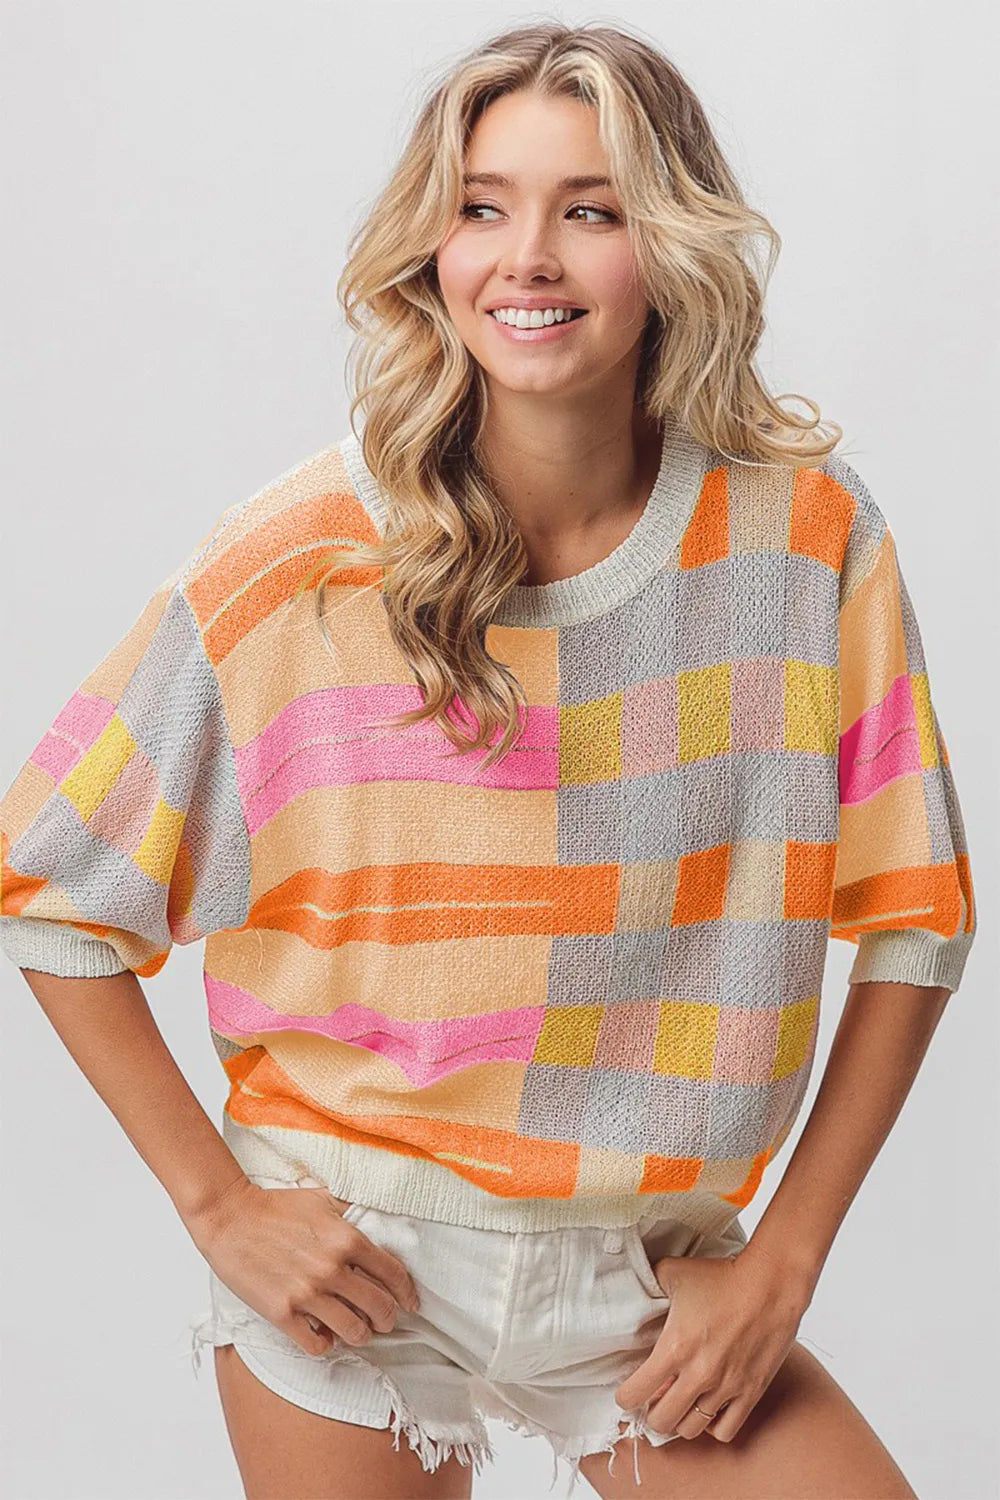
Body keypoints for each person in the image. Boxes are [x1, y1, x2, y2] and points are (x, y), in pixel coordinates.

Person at [0, 20, 977, 1500]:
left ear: (674, 248)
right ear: (431, 246)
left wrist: (785, 1258)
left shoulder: (805, 537)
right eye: (481, 205)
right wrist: (218, 1206)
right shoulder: (297, 563)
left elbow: (917, 919)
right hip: (353, 1263)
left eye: (592, 209)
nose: (527, 256)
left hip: (652, 1277)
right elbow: (55, 890)